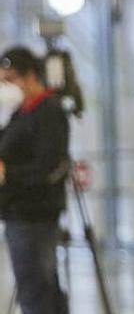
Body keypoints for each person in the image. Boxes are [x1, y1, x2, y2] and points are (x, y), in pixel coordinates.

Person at [0, 47, 70, 314]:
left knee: (37, 292)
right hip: (17, 215)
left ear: (30, 76)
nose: (6, 87)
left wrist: (8, 173)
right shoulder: (21, 113)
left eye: (10, 79)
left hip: (34, 218)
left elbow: (49, 166)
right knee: (38, 289)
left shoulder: (48, 111)